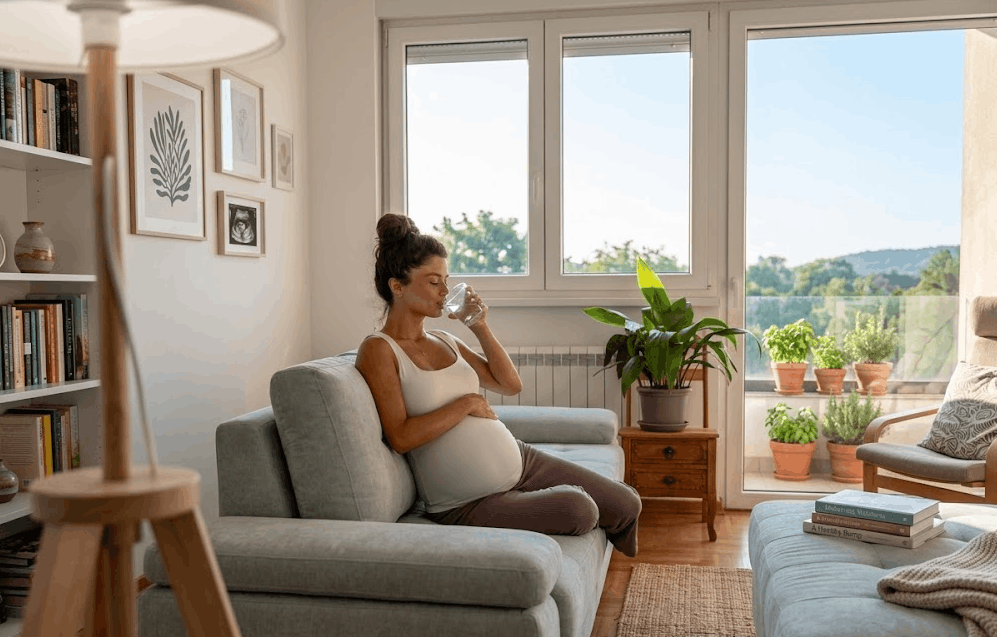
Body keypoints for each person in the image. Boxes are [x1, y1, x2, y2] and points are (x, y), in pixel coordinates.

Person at [354, 213, 641, 557]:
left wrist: (480, 327)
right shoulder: (378, 350)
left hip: (521, 460)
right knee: (580, 510)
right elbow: (400, 437)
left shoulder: (445, 338)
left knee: (626, 503)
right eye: (434, 282)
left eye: (447, 280)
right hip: (465, 501)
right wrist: (466, 405)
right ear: (397, 286)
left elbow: (510, 385)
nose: (445, 292)